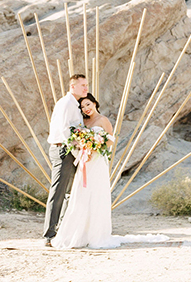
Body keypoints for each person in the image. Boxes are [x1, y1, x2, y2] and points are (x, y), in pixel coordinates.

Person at [51, 92, 116, 249]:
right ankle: (79, 233)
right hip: (84, 162)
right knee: (81, 194)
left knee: (97, 194)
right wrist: (83, 146)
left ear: (94, 103)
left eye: (88, 104)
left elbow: (110, 141)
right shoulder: (83, 122)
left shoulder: (103, 120)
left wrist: (95, 146)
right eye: (82, 106)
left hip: (97, 161)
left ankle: (96, 234)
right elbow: (75, 139)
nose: (86, 108)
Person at [42, 74, 88, 246]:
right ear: (72, 86)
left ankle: (64, 229)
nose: (86, 88)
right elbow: (63, 130)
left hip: (71, 151)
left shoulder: (74, 105)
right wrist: (80, 142)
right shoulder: (66, 103)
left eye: (86, 85)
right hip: (63, 149)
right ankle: (50, 234)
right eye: (82, 85)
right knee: (58, 191)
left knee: (73, 191)